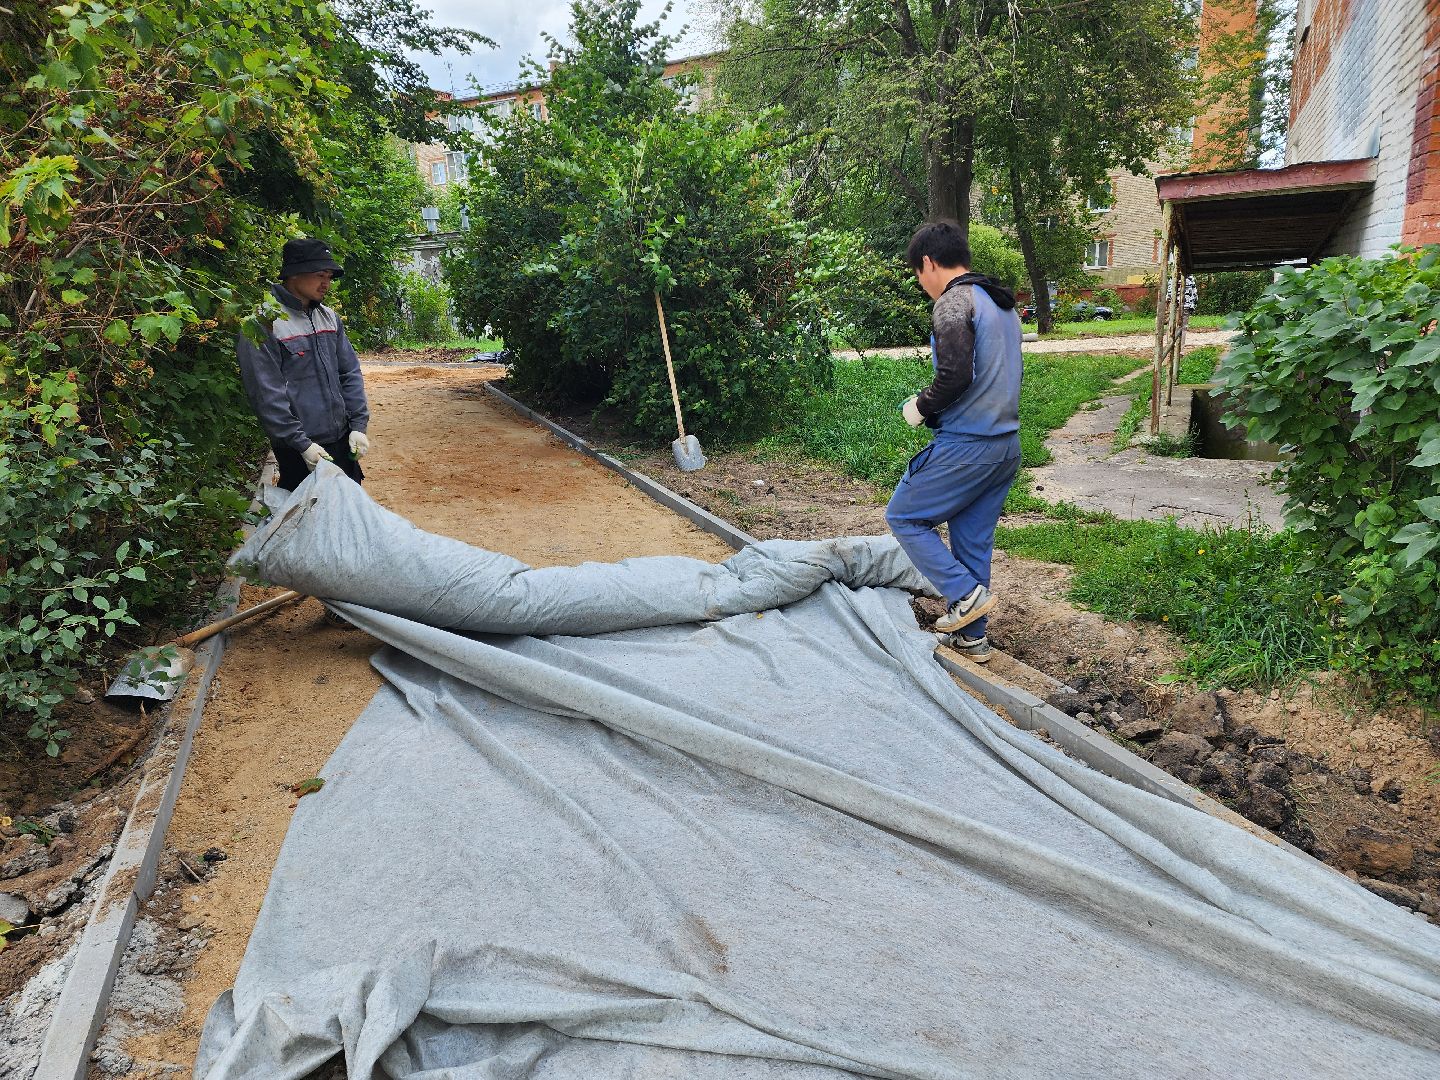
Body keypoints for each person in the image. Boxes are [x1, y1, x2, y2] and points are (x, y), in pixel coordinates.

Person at [886, 221, 1023, 664]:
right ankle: (972, 640)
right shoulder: (999, 303)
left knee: (904, 516)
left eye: (917, 273)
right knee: (972, 543)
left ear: (928, 262)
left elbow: (955, 376)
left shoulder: (953, 302)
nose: (921, 284)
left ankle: (964, 595)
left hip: (968, 445)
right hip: (1006, 446)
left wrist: (921, 407)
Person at [237, 237, 371, 492]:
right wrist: (301, 444)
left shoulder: (329, 318)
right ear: (293, 274)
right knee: (309, 523)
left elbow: (349, 373)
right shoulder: (263, 324)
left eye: (330, 276)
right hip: (299, 450)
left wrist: (358, 427)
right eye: (320, 274)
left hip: (342, 441)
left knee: (348, 520)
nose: (326, 284)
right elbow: (266, 395)